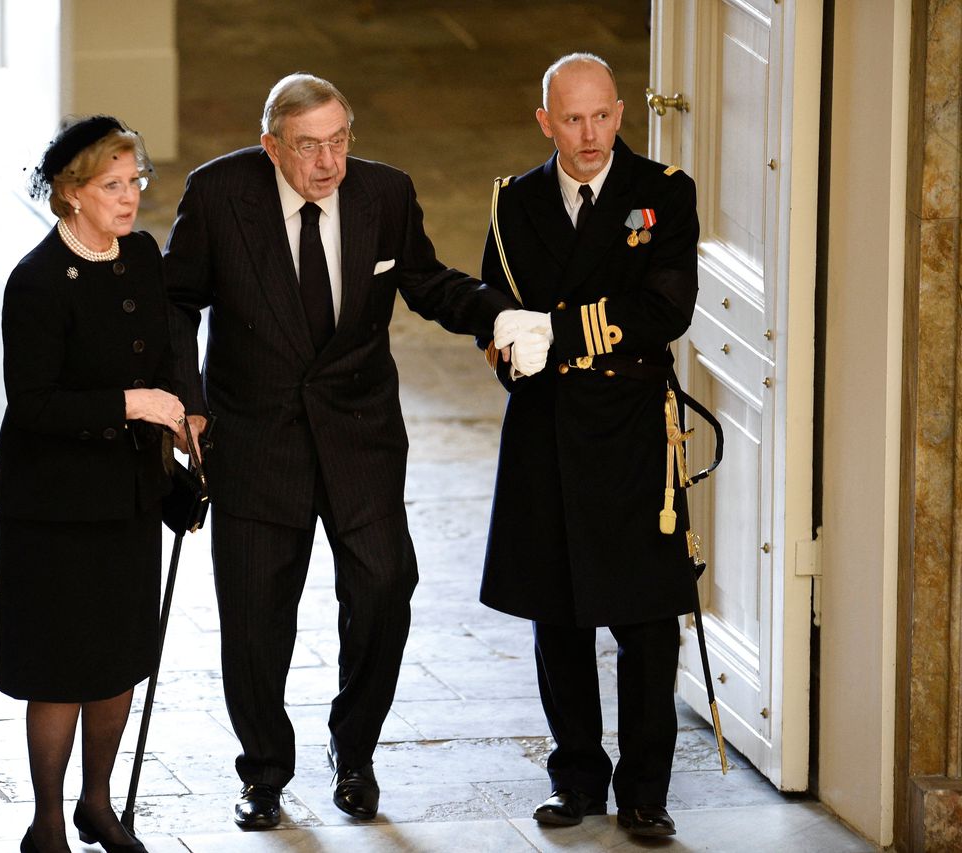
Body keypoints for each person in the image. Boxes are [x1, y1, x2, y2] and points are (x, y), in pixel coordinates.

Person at [164, 72, 518, 829]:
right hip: (257, 437)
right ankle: (263, 771)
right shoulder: (218, 194)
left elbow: (423, 280)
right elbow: (175, 302)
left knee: (386, 587)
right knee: (257, 618)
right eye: (308, 147)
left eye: (339, 141)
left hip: (360, 434)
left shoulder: (383, 194)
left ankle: (352, 751)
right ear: (271, 146)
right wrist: (185, 399)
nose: (328, 163)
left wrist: (497, 313)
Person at [480, 53, 700, 838]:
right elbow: (496, 309)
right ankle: (576, 778)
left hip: (632, 424)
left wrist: (555, 330)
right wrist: (512, 342)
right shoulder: (515, 202)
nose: (590, 134)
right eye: (571, 119)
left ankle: (645, 791)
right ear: (546, 122)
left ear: (619, 111)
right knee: (558, 615)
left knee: (646, 619)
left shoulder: (663, 194)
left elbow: (664, 309)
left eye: (602, 115)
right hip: (547, 426)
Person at [0, 115, 189, 853]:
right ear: (71, 194)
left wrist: (176, 448)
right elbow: (33, 403)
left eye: (135, 181)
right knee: (62, 668)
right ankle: (46, 822)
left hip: (128, 494)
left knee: (118, 661)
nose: (130, 196)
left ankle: (97, 806)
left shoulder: (140, 256)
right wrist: (133, 405)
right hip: (54, 506)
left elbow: (165, 354)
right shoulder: (37, 281)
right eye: (113, 184)